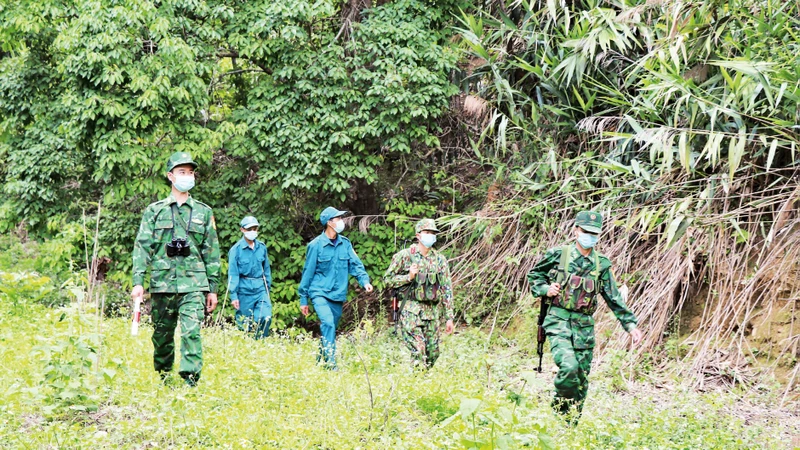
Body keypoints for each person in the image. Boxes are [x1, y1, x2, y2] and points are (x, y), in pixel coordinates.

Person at [528, 210, 643, 425]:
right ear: (576, 230)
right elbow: (534, 275)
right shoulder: (558, 254)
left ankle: (570, 425)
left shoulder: (601, 264)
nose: (589, 235)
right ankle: (558, 413)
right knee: (569, 367)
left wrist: (629, 324)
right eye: (585, 231)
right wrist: (545, 289)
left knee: (580, 378)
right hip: (558, 320)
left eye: (594, 232)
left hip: (584, 327)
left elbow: (613, 297)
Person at [131, 151, 220, 387]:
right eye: (182, 172)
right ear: (170, 176)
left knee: (191, 331)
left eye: (190, 172)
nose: (187, 176)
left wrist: (212, 289)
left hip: (194, 284)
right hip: (162, 283)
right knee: (162, 336)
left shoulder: (203, 212)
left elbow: (211, 252)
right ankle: (164, 377)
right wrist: (138, 281)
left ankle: (190, 382)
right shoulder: (155, 211)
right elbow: (142, 247)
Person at [298, 207, 373, 369]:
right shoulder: (315, 245)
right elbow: (307, 273)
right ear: (329, 223)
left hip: (337, 295)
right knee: (328, 323)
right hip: (319, 292)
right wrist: (303, 298)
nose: (342, 221)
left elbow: (355, 265)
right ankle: (332, 365)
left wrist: (364, 281)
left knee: (329, 328)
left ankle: (320, 362)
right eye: (338, 218)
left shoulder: (345, 243)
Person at [383, 218, 455, 368]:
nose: (430, 235)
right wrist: (408, 277)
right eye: (427, 232)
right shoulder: (405, 256)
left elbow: (446, 288)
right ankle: (417, 381)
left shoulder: (439, 260)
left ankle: (422, 381)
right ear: (418, 235)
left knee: (433, 353)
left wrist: (449, 317)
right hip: (410, 309)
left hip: (431, 312)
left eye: (433, 233)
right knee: (419, 349)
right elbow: (387, 280)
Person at [227, 216, 272, 339]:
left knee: (265, 317)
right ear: (242, 230)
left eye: (255, 228)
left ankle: (260, 344)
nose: (253, 231)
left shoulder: (262, 247)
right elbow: (233, 274)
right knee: (244, 324)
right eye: (249, 228)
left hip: (260, 289)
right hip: (244, 290)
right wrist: (234, 296)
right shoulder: (236, 250)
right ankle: (246, 349)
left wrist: (267, 288)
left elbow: (266, 270)